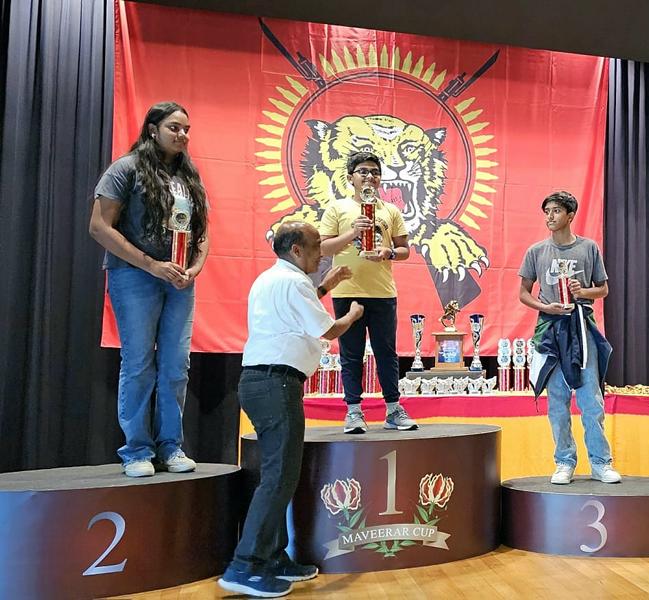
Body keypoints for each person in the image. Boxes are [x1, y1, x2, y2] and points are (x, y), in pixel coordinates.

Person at [218, 221, 362, 598]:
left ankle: (273, 558)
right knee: (279, 477)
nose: (322, 254)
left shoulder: (272, 279)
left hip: (261, 381)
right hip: (276, 383)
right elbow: (327, 329)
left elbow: (301, 308)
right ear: (296, 250)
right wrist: (353, 315)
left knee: (278, 475)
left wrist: (326, 286)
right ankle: (245, 566)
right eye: (316, 247)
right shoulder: (294, 282)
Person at [89, 101, 208, 478]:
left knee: (176, 365)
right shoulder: (126, 168)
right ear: (153, 129)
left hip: (179, 282)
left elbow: (202, 232)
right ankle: (137, 451)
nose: (182, 135)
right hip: (134, 276)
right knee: (139, 363)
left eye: (186, 129)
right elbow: (99, 227)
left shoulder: (189, 174)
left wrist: (194, 268)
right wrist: (152, 265)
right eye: (174, 127)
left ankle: (171, 447)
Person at [518, 191, 618, 485]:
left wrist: (582, 292)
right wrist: (545, 307)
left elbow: (603, 289)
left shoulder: (588, 248)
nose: (550, 216)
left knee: (591, 400)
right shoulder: (536, 251)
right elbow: (523, 293)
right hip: (551, 329)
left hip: (581, 328)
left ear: (570, 215)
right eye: (547, 211)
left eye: (556, 211)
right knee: (557, 401)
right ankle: (564, 461)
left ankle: (601, 463)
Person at [317, 151, 415, 434]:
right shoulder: (338, 208)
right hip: (347, 291)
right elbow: (323, 247)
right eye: (363, 171)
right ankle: (353, 411)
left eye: (374, 172)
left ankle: (393, 409)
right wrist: (352, 233)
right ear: (351, 178)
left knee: (386, 353)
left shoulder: (390, 211)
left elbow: (405, 250)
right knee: (351, 354)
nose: (369, 176)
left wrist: (389, 253)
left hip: (382, 292)